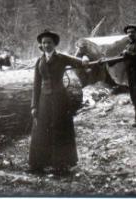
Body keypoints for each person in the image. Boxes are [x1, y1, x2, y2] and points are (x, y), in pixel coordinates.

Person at [29, 29, 89, 175]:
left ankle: (61, 164)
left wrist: (85, 59)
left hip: (60, 99)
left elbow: (80, 63)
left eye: (49, 42)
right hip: (43, 99)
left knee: (60, 128)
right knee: (41, 130)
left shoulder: (62, 58)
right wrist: (33, 105)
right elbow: (36, 85)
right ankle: (39, 163)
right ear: (41, 45)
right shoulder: (39, 61)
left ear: (54, 44)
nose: (46, 45)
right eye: (44, 43)